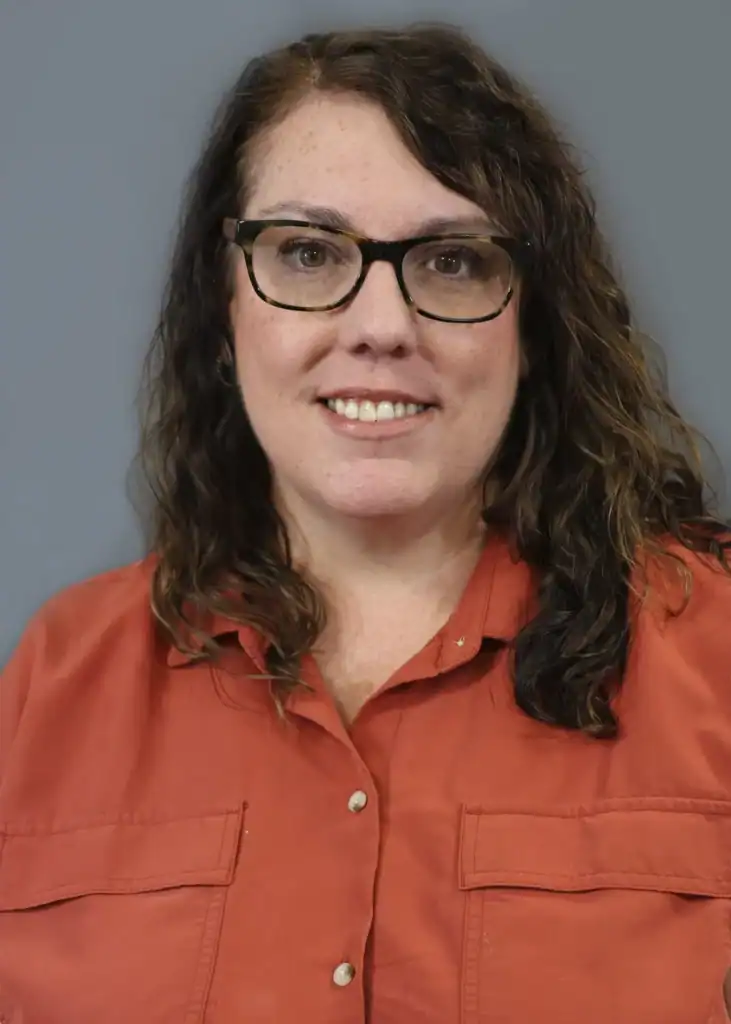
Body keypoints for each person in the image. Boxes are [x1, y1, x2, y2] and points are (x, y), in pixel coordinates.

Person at [1, 20, 730, 1024]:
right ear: (224, 310)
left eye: (451, 261)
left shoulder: (713, 659)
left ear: (533, 324)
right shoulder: (53, 685)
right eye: (306, 252)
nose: (381, 326)